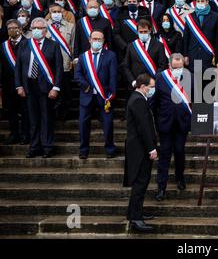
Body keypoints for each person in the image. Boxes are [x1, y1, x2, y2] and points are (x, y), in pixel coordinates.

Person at [14, 17, 63, 158]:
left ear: (45, 30)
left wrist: (56, 88)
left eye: (40, 28)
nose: (36, 30)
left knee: (46, 118)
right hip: (29, 87)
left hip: (46, 88)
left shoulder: (53, 45)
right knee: (32, 119)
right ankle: (34, 146)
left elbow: (59, 68)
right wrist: (19, 86)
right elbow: (18, 68)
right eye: (34, 28)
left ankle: (47, 147)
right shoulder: (24, 45)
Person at [153, 53, 192, 201]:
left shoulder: (190, 77)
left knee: (179, 151)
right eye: (175, 67)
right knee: (164, 155)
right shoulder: (160, 78)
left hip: (182, 123)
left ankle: (180, 177)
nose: (177, 70)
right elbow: (154, 102)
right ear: (170, 66)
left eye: (180, 67)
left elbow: (196, 98)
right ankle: (161, 187)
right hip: (165, 123)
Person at [75, 30, 118, 159]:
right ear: (89, 40)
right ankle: (83, 150)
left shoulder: (111, 56)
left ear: (103, 40)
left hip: (104, 96)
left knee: (108, 123)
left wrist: (111, 94)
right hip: (87, 95)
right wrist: (86, 86)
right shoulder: (83, 57)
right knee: (83, 124)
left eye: (100, 39)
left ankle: (110, 149)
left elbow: (113, 77)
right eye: (95, 39)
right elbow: (77, 75)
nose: (97, 41)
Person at [123, 73, 158, 233]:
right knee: (140, 183)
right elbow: (143, 127)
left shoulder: (138, 99)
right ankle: (136, 219)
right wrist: (151, 148)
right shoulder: (138, 100)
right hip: (140, 149)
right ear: (143, 86)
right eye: (151, 87)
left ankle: (134, 213)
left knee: (140, 182)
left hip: (139, 147)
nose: (152, 90)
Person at [0, 19, 29, 145]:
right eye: (9, 28)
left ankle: (26, 134)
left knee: (25, 111)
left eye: (14, 27)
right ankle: (14, 134)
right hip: (8, 84)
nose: (12, 30)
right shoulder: (3, 46)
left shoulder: (28, 43)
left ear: (20, 29)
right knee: (11, 111)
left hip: (24, 84)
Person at [46, 3, 75, 121]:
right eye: (54, 11)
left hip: (65, 65)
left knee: (65, 92)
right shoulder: (44, 26)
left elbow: (72, 46)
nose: (57, 14)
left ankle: (64, 114)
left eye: (59, 11)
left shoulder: (70, 26)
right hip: (48, 66)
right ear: (50, 12)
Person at [123, 19, 167, 90]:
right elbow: (126, 66)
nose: (143, 34)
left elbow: (162, 65)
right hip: (136, 85)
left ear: (150, 30)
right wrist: (133, 81)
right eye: (141, 32)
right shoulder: (131, 46)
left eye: (145, 31)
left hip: (153, 85)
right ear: (137, 32)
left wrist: (153, 80)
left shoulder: (159, 45)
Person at [183, 0, 218, 72]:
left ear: (207, 2)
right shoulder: (190, 17)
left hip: (208, 55)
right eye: (198, 1)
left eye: (202, 1)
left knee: (208, 82)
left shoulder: (215, 16)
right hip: (193, 55)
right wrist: (185, 55)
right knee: (196, 82)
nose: (200, 3)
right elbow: (186, 38)